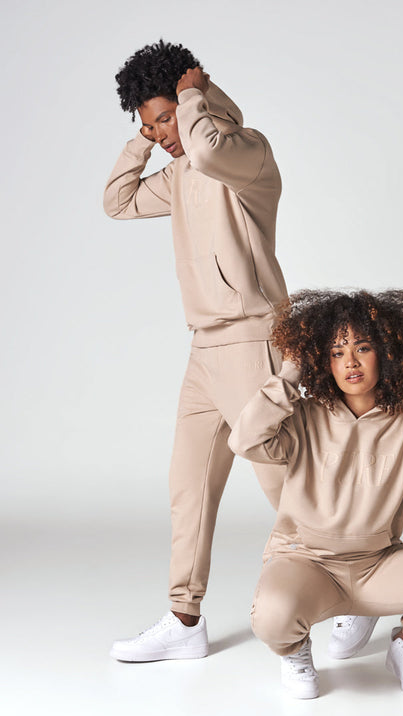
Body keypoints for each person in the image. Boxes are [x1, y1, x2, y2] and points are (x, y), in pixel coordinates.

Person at [103, 40, 288, 661]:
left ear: (194, 100)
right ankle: (185, 620)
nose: (163, 135)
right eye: (150, 125)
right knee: (189, 489)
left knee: (287, 486)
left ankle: (350, 592)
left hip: (252, 341)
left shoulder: (246, 153)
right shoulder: (180, 172)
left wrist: (192, 96)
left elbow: (207, 146)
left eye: (166, 119)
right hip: (204, 349)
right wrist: (142, 137)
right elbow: (118, 201)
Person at [229, 288, 403, 699]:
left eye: (363, 348)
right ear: (322, 362)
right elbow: (244, 441)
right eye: (336, 352)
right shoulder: (303, 417)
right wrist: (289, 373)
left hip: (378, 564)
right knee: (272, 616)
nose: (350, 361)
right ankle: (295, 652)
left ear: (386, 353)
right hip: (307, 561)